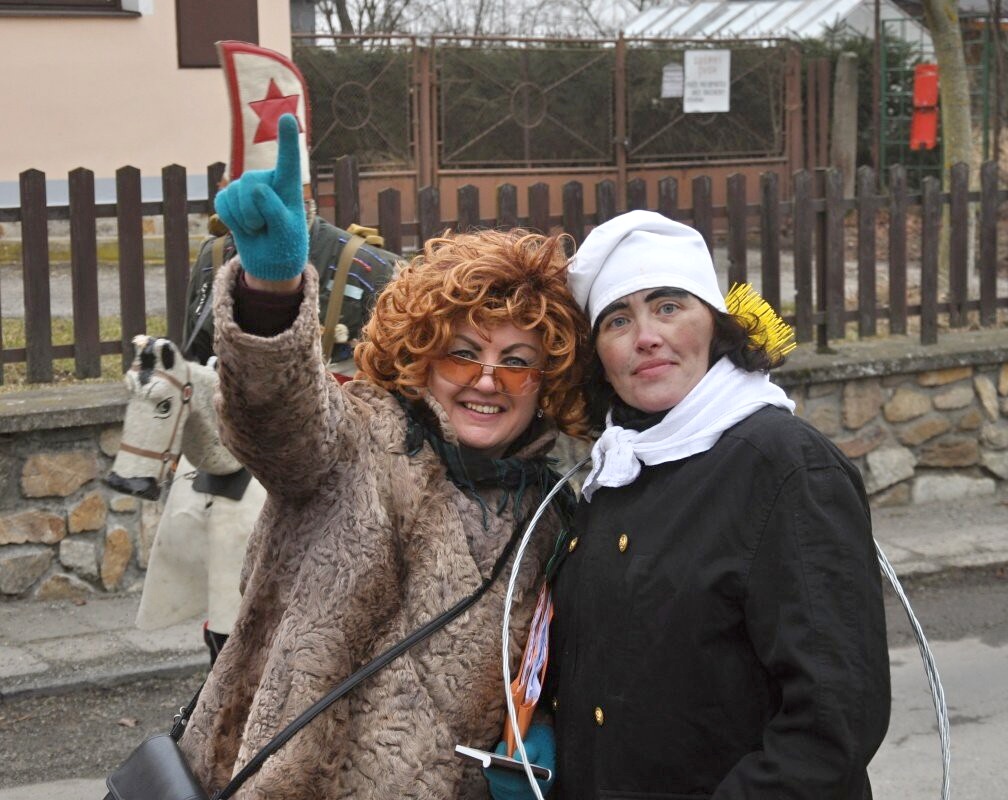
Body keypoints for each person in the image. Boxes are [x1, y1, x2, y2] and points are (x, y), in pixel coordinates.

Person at [177, 113, 589, 799]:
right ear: (422, 355)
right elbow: (280, 421)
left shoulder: (550, 518)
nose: (488, 381)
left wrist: (541, 724)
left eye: (517, 362)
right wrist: (271, 295)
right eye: (463, 353)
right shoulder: (359, 440)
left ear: (546, 382)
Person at [543, 210, 891, 799]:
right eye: (618, 319)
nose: (646, 336)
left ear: (715, 324)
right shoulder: (618, 467)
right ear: (599, 354)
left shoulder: (783, 465)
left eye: (668, 307)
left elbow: (832, 721)